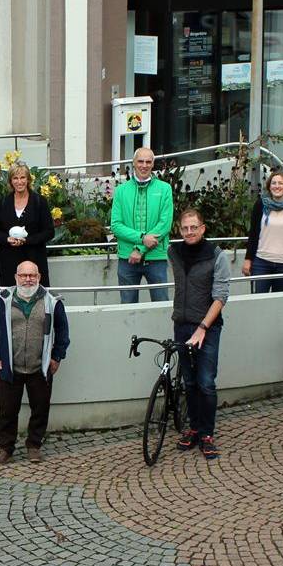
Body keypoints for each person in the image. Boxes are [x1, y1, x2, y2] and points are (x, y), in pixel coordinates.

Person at [0, 260, 69, 465]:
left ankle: (34, 446)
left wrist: (56, 357)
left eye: (32, 275)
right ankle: (5, 448)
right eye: (23, 275)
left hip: (40, 367)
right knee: (6, 411)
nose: (28, 279)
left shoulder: (52, 301)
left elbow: (63, 330)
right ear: (16, 277)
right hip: (10, 367)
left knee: (40, 409)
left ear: (39, 277)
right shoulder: (3, 299)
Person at [169, 210, 230, 460]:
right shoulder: (174, 252)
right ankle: (193, 428)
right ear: (180, 230)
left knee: (205, 382)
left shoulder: (217, 255)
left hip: (207, 328)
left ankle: (207, 434)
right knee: (190, 381)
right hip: (182, 324)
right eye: (185, 228)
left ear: (203, 228)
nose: (189, 232)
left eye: (194, 227)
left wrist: (203, 328)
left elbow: (221, 297)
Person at [109, 147, 174, 303]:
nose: (144, 165)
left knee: (161, 307)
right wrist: (143, 238)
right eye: (140, 161)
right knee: (128, 308)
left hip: (156, 257)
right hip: (127, 259)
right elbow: (116, 225)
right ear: (133, 163)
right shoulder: (121, 191)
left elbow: (165, 225)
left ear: (153, 164)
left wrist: (140, 249)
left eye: (148, 162)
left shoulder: (165, 189)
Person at [0, 163, 55, 287]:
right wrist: (7, 239)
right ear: (10, 181)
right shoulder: (3, 203)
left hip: (34, 263)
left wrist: (27, 240)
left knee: (37, 298)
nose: (19, 182)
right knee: (9, 298)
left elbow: (49, 232)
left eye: (22, 177)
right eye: (15, 178)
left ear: (28, 179)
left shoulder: (39, 202)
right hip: (8, 264)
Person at [242, 171, 283, 294]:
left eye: (280, 183)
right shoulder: (260, 204)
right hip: (261, 262)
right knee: (258, 300)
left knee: (279, 302)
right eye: (274, 183)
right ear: (269, 186)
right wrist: (248, 259)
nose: (277, 186)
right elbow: (253, 234)